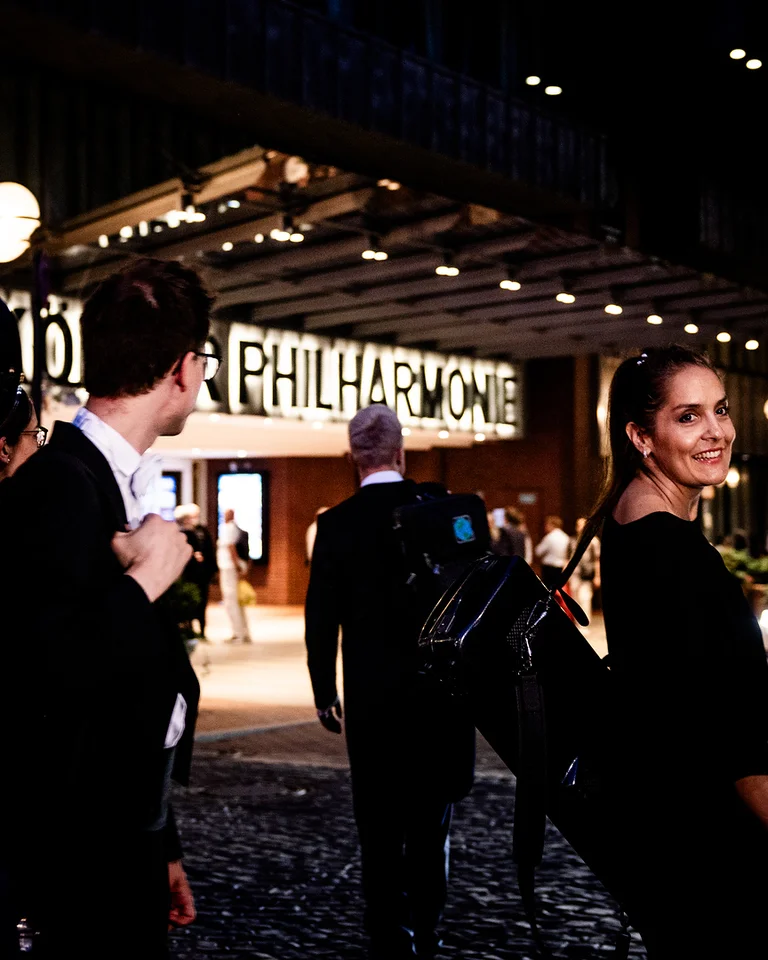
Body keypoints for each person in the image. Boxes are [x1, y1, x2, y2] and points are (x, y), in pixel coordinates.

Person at [0, 258, 217, 958]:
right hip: (80, 872)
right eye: (203, 363)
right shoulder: (61, 486)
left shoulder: (99, 479)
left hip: (127, 845)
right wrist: (144, 582)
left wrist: (161, 841)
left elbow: (128, 699)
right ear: (183, 369)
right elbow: (42, 679)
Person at [597, 345, 768, 957]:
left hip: (669, 841)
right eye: (689, 416)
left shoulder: (627, 525)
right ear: (641, 436)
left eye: (719, 410)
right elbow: (734, 735)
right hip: (713, 851)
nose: (717, 432)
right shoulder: (671, 554)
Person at [305, 404, 474, 960]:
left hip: (373, 703)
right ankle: (428, 936)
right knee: (430, 831)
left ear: (354, 457)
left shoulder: (335, 525)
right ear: (402, 452)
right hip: (437, 700)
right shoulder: (438, 509)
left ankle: (388, 942)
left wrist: (324, 690)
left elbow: (320, 617)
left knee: (377, 832)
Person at [176, 502, 218, 639]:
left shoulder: (202, 531)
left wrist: (212, 570)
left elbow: (209, 551)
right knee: (188, 602)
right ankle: (189, 629)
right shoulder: (181, 532)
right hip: (187, 574)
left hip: (202, 574)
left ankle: (202, 629)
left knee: (202, 602)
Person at [217, 507, 253, 643]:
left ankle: (238, 634)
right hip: (233, 567)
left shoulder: (228, 528)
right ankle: (243, 632)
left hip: (229, 567)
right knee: (238, 601)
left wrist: (236, 565)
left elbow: (230, 547)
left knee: (231, 601)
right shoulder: (236, 529)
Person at [567, 516, 600, 618]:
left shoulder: (594, 541)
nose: (580, 527)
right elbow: (567, 558)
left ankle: (584, 622)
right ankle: (577, 622)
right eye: (578, 525)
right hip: (574, 573)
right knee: (575, 598)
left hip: (586, 574)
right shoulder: (572, 541)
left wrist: (597, 576)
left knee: (585, 598)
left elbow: (596, 560)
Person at [534, 514, 570, 588]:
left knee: (548, 589)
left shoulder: (549, 537)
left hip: (549, 568)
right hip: (561, 567)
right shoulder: (566, 537)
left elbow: (538, 551)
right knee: (557, 589)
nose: (545, 527)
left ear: (551, 525)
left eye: (546, 525)